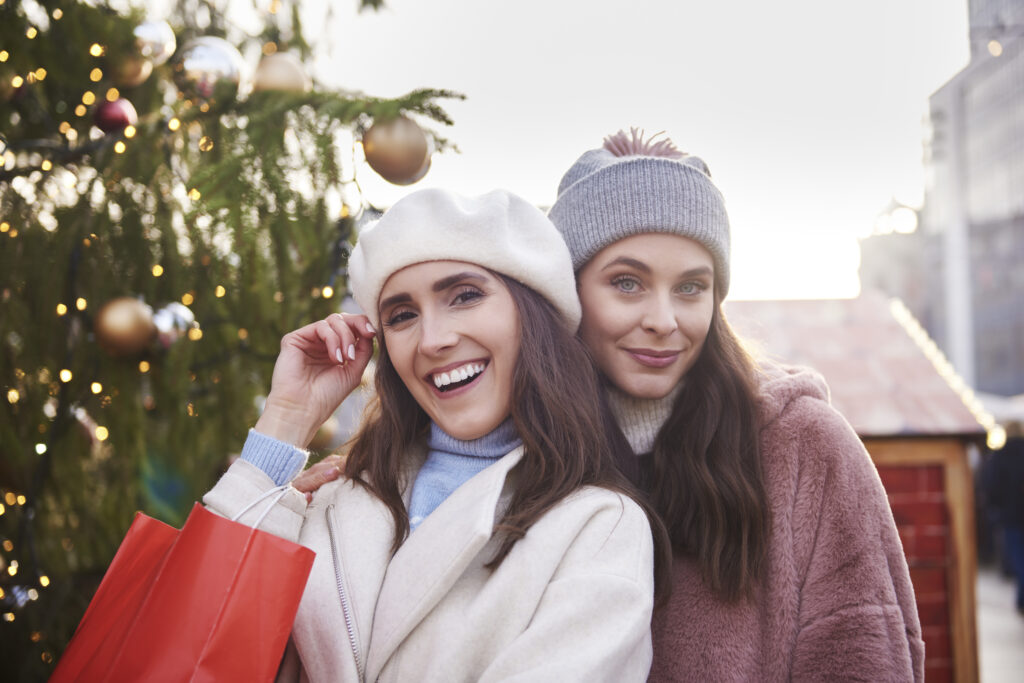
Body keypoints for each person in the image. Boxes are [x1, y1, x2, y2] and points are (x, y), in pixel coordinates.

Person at [203, 188, 669, 682]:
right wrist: (287, 416)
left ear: (533, 315)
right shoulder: (330, 499)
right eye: (402, 315)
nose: (433, 340)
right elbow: (197, 642)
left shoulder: (600, 527)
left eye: (465, 296)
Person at [545, 129, 925, 681]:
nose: (663, 319)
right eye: (627, 283)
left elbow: (865, 655)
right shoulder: (529, 451)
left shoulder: (805, 446)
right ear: (570, 292)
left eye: (691, 287)